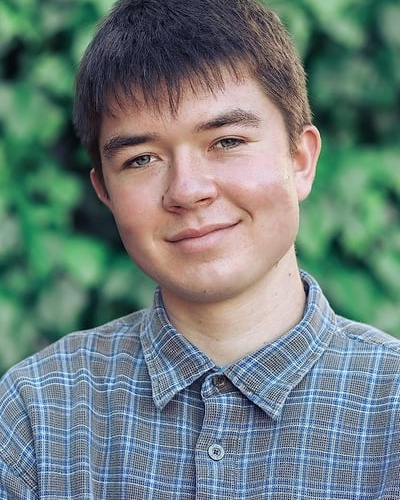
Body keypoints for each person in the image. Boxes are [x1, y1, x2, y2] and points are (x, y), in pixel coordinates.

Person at [0, 0, 399, 498]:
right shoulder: (37, 414)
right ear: (105, 191)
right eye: (141, 159)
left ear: (299, 160)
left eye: (227, 142)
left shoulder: (391, 406)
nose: (187, 190)